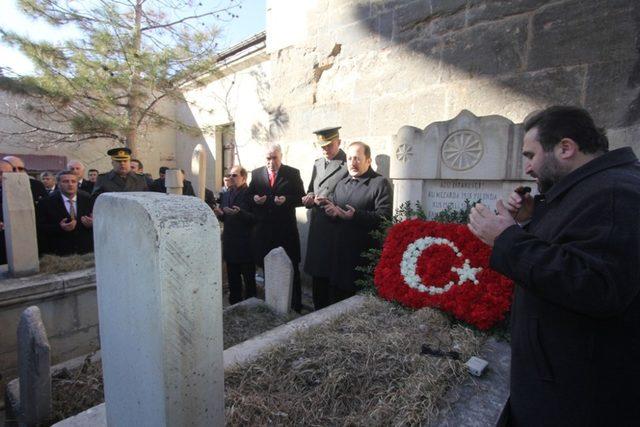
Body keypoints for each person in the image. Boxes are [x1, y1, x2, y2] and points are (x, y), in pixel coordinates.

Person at [467, 106, 640, 425]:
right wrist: (534, 218)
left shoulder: (617, 192)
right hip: (554, 383)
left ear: (565, 147)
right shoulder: (593, 187)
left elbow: (596, 284)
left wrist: (505, 238)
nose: (528, 167)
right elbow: (570, 248)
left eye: (531, 155)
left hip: (578, 400)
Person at [322, 141, 392, 306]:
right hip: (339, 254)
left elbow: (385, 217)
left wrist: (355, 216)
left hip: (362, 256)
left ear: (368, 160)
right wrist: (331, 212)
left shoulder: (379, 183)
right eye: (350, 158)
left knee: (356, 304)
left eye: (357, 159)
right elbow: (335, 209)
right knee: (336, 301)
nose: (352, 163)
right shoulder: (341, 183)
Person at [248, 143, 305, 312]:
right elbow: (248, 196)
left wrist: (286, 200)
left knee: (291, 268)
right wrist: (255, 199)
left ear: (280, 157)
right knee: (267, 268)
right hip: (265, 232)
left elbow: (301, 197)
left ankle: (296, 305)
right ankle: (272, 303)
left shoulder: (292, 173)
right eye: (268, 158)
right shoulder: (257, 174)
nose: (271, 162)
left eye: (274, 158)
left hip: (286, 231)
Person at [302, 126, 349, 309]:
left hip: (334, 226)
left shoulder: (347, 164)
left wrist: (331, 202)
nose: (325, 150)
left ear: (339, 142)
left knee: (331, 272)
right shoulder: (318, 163)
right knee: (317, 273)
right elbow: (311, 189)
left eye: (329, 146)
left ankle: (329, 311)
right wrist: (309, 197)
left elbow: (352, 195)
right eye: (322, 146)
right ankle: (317, 308)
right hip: (318, 224)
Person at [213, 166, 255, 305]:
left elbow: (254, 218)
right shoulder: (226, 194)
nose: (231, 178)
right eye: (230, 175)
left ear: (244, 177)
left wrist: (240, 213)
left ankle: (251, 304)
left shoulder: (250, 193)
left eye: (235, 175)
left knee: (248, 277)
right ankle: (235, 305)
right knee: (233, 277)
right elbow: (226, 218)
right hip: (230, 241)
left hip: (245, 243)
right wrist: (221, 215)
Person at [36, 170, 93, 256]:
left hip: (86, 253)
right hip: (60, 254)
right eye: (65, 181)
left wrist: (92, 223)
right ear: (58, 184)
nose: (70, 184)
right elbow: (40, 228)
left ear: (77, 184)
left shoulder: (88, 200)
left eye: (73, 181)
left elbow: (99, 222)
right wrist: (59, 227)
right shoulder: (46, 203)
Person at [0, 160, 15, 264]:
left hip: (15, 247)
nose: (4, 177)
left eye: (8, 174)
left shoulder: (20, 192)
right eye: (0, 173)